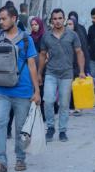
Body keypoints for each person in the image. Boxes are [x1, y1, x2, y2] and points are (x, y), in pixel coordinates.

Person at [0, 5, 41, 172]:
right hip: (1, 90)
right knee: (0, 124)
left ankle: (20, 159)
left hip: (23, 91)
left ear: (14, 18)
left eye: (4, 18)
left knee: (20, 127)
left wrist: (36, 91)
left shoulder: (26, 39)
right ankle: (1, 162)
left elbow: (32, 66)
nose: (0, 22)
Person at [38, 9, 85, 142]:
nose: (57, 21)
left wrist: (81, 71)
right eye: (55, 19)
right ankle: (51, 127)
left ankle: (63, 130)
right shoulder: (46, 36)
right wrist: (39, 73)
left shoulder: (72, 35)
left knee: (64, 104)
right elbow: (42, 55)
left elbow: (79, 52)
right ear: (51, 21)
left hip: (66, 74)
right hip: (51, 73)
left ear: (64, 19)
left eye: (60, 18)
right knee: (48, 100)